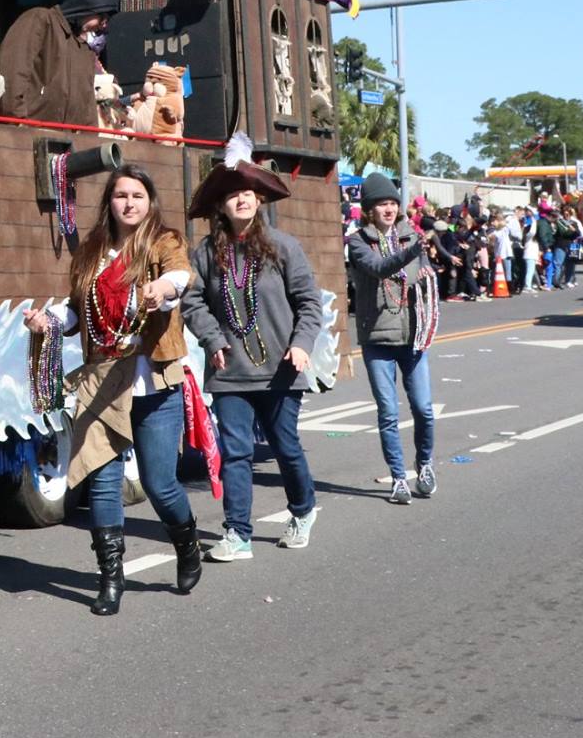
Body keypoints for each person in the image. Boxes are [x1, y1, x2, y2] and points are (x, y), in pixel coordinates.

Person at [21, 166, 201, 613]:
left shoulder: (164, 241)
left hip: (153, 380)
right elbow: (76, 311)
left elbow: (181, 276)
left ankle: (187, 545)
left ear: (149, 201)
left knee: (159, 484)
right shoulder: (92, 253)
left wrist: (162, 287)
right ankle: (110, 579)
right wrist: (47, 322)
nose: (129, 203)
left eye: (138, 195)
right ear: (110, 203)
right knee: (103, 481)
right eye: (121, 195)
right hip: (102, 381)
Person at [179, 135, 323, 561]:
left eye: (246, 193)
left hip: (281, 369)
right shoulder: (206, 253)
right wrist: (212, 338)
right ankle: (238, 533)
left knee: (285, 447)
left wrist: (302, 344)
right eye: (231, 195)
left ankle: (303, 509)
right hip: (230, 372)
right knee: (236, 453)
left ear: (258, 199)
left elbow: (309, 303)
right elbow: (191, 301)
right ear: (221, 207)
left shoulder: (284, 246)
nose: (240, 199)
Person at [345, 174, 439, 504]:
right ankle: (399, 478)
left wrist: (424, 267)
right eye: (381, 204)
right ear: (369, 209)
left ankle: (424, 463)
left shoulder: (411, 235)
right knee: (388, 412)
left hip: (413, 336)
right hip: (377, 338)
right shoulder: (358, 242)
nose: (388, 208)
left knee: (423, 409)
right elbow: (379, 268)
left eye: (392, 203)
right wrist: (413, 252)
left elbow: (420, 275)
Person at [0, 0, 118, 127]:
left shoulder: (84, 51)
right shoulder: (41, 21)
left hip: (70, 138)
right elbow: (13, 71)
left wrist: (89, 137)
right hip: (29, 132)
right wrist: (16, 122)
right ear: (88, 5)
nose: (103, 25)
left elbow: (87, 106)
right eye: (102, 17)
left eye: (107, 20)